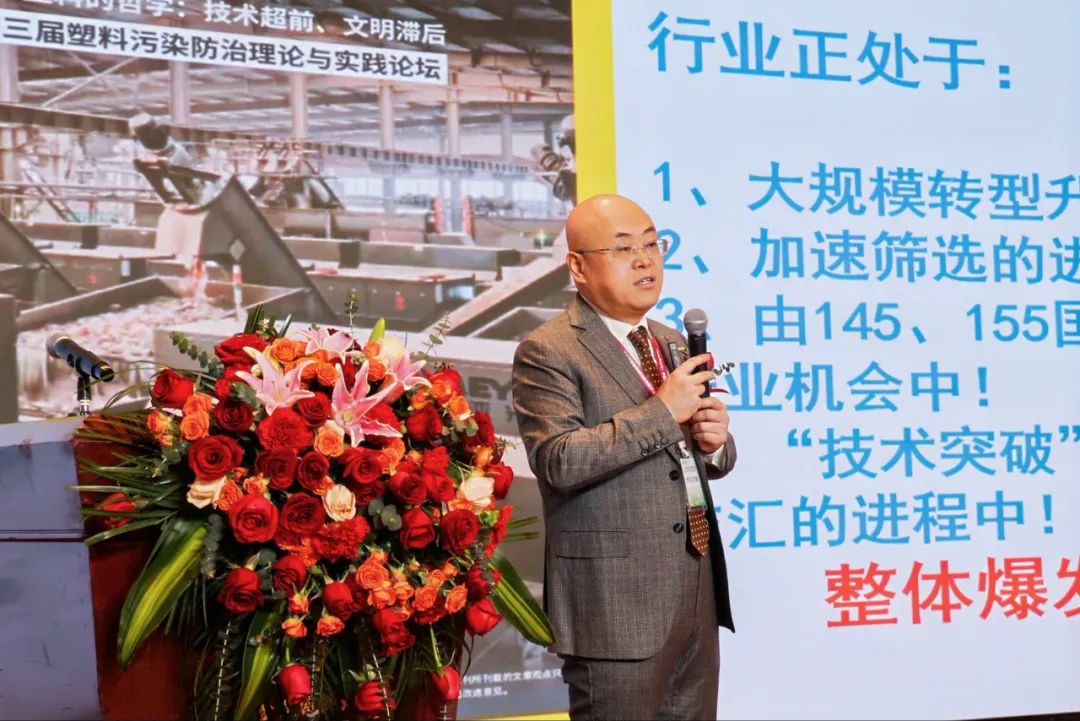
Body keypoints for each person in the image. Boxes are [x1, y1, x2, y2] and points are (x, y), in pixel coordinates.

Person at [511, 193, 737, 720]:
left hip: (694, 590)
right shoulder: (550, 350)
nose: (644, 260)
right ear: (578, 267)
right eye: (623, 248)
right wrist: (664, 411)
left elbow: (688, 459)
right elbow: (558, 460)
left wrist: (715, 444)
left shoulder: (671, 341)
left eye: (652, 245)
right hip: (615, 605)